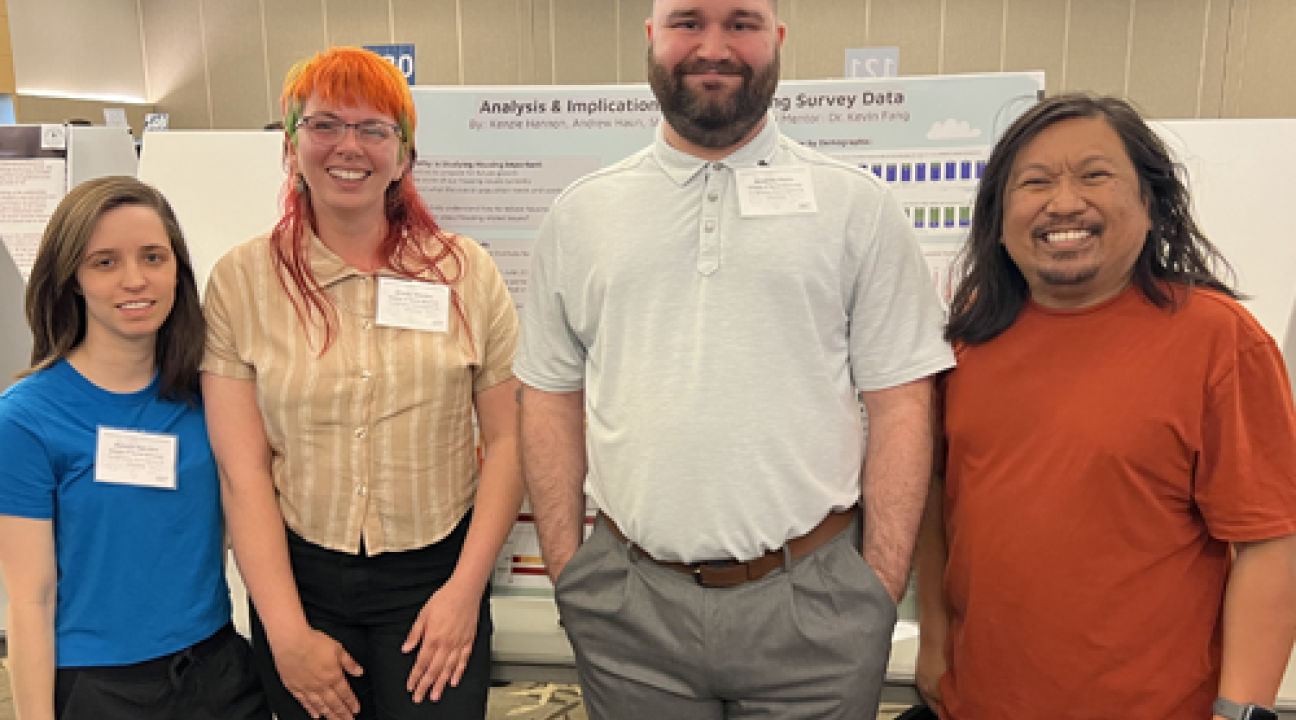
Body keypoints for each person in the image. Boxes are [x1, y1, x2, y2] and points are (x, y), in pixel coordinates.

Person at [516, 0, 954, 717]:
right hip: (629, 611)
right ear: (651, 37)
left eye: (741, 23)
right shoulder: (581, 214)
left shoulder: (857, 208)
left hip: (815, 611)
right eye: (688, 21)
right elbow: (549, 398)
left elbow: (902, 402)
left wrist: (878, 582)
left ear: (776, 39)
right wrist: (571, 571)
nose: (713, 47)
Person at [915, 93, 1296, 720]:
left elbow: (1268, 542)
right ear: (999, 214)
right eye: (1034, 182)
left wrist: (1241, 710)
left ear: (1151, 202)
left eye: (1095, 175)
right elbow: (937, 502)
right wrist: (933, 642)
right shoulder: (967, 343)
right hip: (982, 704)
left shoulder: (1218, 339)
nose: (1064, 203)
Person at [201, 48, 522, 720]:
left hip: (436, 577)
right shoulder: (242, 282)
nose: (349, 146)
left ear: (403, 155)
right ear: (291, 147)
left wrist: (466, 594)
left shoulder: (465, 273)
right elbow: (243, 473)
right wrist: (284, 631)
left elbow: (508, 441)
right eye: (324, 125)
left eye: (374, 129)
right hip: (302, 584)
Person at [0, 176, 269, 720]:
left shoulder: (210, 393)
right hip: (101, 691)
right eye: (104, 262)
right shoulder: (26, 418)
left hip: (218, 675)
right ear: (71, 278)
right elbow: (29, 601)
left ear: (177, 270)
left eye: (153, 257)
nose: (135, 280)